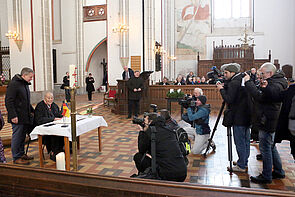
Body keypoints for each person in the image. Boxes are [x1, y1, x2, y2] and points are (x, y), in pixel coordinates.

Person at [244, 62, 288, 184]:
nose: (260, 76)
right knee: (271, 147)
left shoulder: (276, 84)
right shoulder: (276, 81)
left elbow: (260, 97)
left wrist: (248, 83)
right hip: (269, 118)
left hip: (268, 119)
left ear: (270, 73)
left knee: (265, 148)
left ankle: (266, 175)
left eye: (262, 74)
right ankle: (278, 171)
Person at [217, 63, 251, 172]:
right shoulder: (242, 79)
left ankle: (241, 165)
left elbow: (229, 99)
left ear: (232, 72)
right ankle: (243, 161)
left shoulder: (234, 83)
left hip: (238, 116)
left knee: (239, 141)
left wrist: (221, 89)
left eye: (226, 73)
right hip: (246, 115)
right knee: (246, 140)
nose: (224, 75)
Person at [133, 114, 187, 182]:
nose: (144, 123)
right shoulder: (170, 130)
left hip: (167, 175)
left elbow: (141, 150)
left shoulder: (150, 132)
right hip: (182, 172)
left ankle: (148, 180)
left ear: (150, 122)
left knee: (138, 157)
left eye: (145, 121)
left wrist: (142, 132)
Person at [5, 67, 35, 165]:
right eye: (30, 77)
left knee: (22, 136)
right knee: (17, 137)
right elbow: (9, 101)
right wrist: (13, 115)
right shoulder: (14, 84)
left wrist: (32, 111)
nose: (31, 79)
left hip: (24, 116)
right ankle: (16, 157)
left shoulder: (24, 84)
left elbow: (25, 101)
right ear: (24, 75)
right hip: (17, 117)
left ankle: (22, 154)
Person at [34, 92, 63, 161]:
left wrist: (63, 115)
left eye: (51, 98)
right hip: (44, 130)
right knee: (54, 134)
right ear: (44, 98)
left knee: (62, 132)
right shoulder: (40, 106)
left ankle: (61, 150)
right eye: (48, 98)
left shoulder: (54, 105)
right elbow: (39, 120)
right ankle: (53, 152)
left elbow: (58, 114)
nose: (50, 100)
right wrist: (53, 119)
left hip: (54, 126)